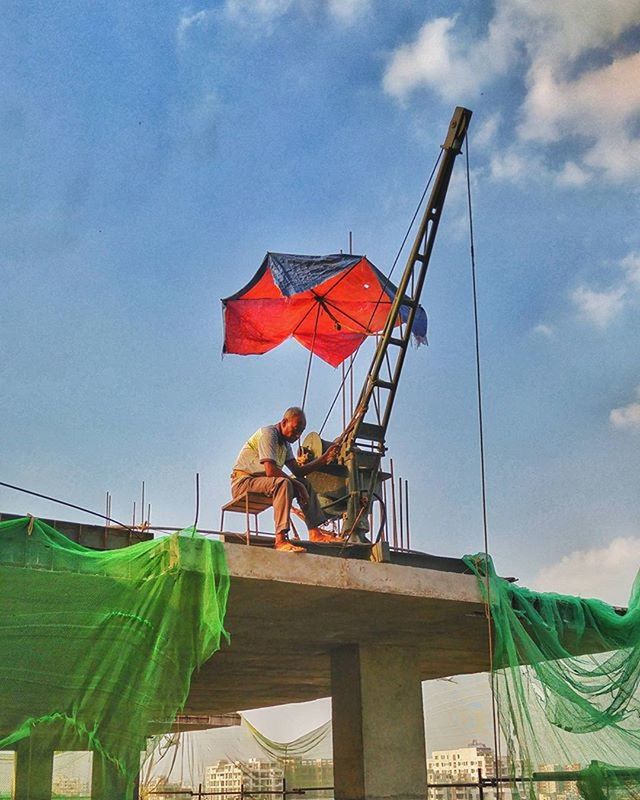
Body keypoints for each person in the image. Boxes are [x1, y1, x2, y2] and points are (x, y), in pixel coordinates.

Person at [231, 406, 341, 552]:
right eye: (296, 429)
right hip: (243, 483)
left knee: (304, 483)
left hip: (265, 484)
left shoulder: (285, 445)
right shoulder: (269, 434)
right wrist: (296, 485)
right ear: (284, 422)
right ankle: (280, 540)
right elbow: (271, 471)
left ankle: (315, 532)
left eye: (301, 432)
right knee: (284, 483)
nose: (297, 435)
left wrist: (324, 459)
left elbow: (298, 471)